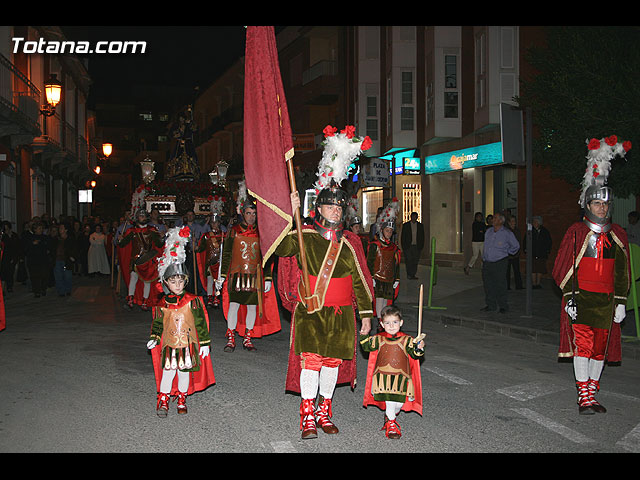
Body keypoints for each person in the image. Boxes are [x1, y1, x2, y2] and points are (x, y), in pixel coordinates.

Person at [275, 125, 374, 440]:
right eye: (329, 205)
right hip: (311, 311)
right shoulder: (302, 237)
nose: (335, 209)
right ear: (317, 207)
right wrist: (286, 215)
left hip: (342, 315)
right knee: (312, 364)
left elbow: (362, 281)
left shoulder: (351, 242)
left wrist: (368, 316)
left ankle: (324, 411)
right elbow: (278, 248)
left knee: (332, 365)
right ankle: (306, 415)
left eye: (338, 206)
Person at [552, 135, 631, 415]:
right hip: (582, 298)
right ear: (588, 205)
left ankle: (592, 390)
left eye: (605, 205)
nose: (602, 208)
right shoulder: (577, 231)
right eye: (597, 204)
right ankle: (583, 395)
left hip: (606, 300)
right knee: (583, 347)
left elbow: (622, 271)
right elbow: (564, 266)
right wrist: (570, 297)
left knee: (601, 349)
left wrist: (620, 301)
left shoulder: (617, 234)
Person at [147, 226, 215, 417]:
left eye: (180, 281)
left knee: (184, 373)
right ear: (166, 283)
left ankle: (183, 397)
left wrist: (204, 343)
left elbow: (200, 322)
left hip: (187, 345)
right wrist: (154, 336)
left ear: (185, 281)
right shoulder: (163, 303)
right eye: (173, 281)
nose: (177, 285)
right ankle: (163, 398)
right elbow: (159, 323)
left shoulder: (193, 301)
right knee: (168, 372)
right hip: (169, 345)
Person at [218, 182, 280, 352]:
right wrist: (222, 275)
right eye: (248, 213)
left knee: (252, 307)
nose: (251, 216)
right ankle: (231, 336)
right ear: (242, 214)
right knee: (234, 305)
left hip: (255, 276)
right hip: (237, 275)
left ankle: (247, 337)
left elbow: (267, 256)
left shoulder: (262, 233)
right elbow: (228, 254)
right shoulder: (234, 231)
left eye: (254, 213)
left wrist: (267, 277)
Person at [359, 305, 424, 439]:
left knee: (398, 404)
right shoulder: (379, 338)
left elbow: (415, 354)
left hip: (401, 377)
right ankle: (391, 423)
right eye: (387, 323)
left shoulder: (407, 340)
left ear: (401, 322)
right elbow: (366, 347)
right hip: (383, 376)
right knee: (390, 399)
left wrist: (419, 347)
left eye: (395, 322)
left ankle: (390, 415)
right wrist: (364, 335)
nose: (392, 326)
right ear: (382, 324)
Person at [117, 209, 165, 311]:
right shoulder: (131, 231)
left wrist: (161, 237)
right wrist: (120, 239)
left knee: (147, 281)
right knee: (133, 279)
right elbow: (123, 244)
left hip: (148, 260)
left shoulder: (152, 230)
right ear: (137, 218)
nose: (142, 218)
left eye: (144, 216)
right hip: (135, 260)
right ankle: (130, 300)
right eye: (140, 216)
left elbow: (159, 244)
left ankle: (144, 302)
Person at [368, 199, 401, 318]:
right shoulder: (375, 245)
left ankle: (384, 324)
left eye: (391, 231)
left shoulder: (394, 248)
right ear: (382, 230)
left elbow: (396, 264)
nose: (389, 233)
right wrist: (371, 277)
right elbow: (369, 263)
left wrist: (397, 279)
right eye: (387, 231)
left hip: (389, 279)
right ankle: (379, 324)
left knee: (387, 303)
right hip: (377, 278)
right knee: (379, 302)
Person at [480, 213, 520, 313]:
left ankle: (503, 306)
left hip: (500, 262)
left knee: (500, 284)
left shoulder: (507, 233)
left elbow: (516, 246)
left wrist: (507, 252)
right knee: (488, 285)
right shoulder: (488, 231)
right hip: (487, 263)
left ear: (501, 221)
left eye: (495, 218)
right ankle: (491, 305)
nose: (492, 219)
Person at [195, 213, 225, 308]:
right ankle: (209, 298)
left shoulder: (224, 235)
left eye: (216, 223)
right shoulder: (206, 236)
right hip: (210, 261)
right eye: (212, 223)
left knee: (218, 281)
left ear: (219, 223)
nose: (214, 224)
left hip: (220, 262)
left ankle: (216, 297)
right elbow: (202, 248)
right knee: (210, 280)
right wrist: (196, 248)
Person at [523, 216, 552, 289]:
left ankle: (538, 283)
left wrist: (547, 250)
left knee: (539, 268)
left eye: (535, 222)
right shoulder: (530, 231)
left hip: (541, 253)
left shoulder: (544, 231)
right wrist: (525, 249)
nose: (534, 223)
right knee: (533, 268)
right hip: (532, 253)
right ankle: (533, 283)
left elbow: (548, 241)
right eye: (533, 222)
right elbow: (525, 240)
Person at [24, 222, 50, 298]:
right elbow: (26, 249)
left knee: (44, 275)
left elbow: (48, 246)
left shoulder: (45, 237)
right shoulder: (30, 238)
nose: (41, 230)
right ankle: (37, 291)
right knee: (35, 277)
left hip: (43, 260)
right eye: (39, 228)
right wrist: (32, 244)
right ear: (35, 229)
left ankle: (43, 289)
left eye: (41, 228)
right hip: (34, 261)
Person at [51, 223, 76, 297]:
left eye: (61, 228)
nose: (60, 230)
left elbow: (73, 249)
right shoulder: (56, 239)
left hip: (66, 260)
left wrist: (72, 256)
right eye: (60, 228)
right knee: (58, 276)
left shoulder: (70, 239)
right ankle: (61, 291)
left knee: (67, 276)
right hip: (57, 260)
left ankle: (68, 290)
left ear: (66, 230)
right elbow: (52, 249)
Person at [401, 211, 425, 280]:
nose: (414, 218)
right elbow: (403, 237)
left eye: (415, 217)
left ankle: (413, 274)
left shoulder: (420, 226)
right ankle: (409, 274)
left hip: (416, 246)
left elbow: (422, 236)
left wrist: (421, 246)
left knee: (415, 261)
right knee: (409, 260)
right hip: (408, 246)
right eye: (413, 216)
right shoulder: (406, 225)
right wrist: (404, 247)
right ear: (411, 217)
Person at [1, 221, 20, 293]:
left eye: (7, 228)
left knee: (10, 273)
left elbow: (17, 247)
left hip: (12, 257)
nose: (6, 230)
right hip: (4, 257)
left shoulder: (14, 236)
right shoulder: (3, 236)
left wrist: (16, 257)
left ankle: (9, 286)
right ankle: (3, 289)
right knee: (3, 273)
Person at [506, 216, 523, 290]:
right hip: (508, 254)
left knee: (517, 270)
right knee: (507, 271)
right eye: (512, 221)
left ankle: (519, 285)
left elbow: (519, 241)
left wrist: (518, 251)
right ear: (509, 222)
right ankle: (507, 286)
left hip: (516, 254)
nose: (514, 222)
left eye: (514, 221)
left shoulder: (517, 230)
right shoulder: (506, 231)